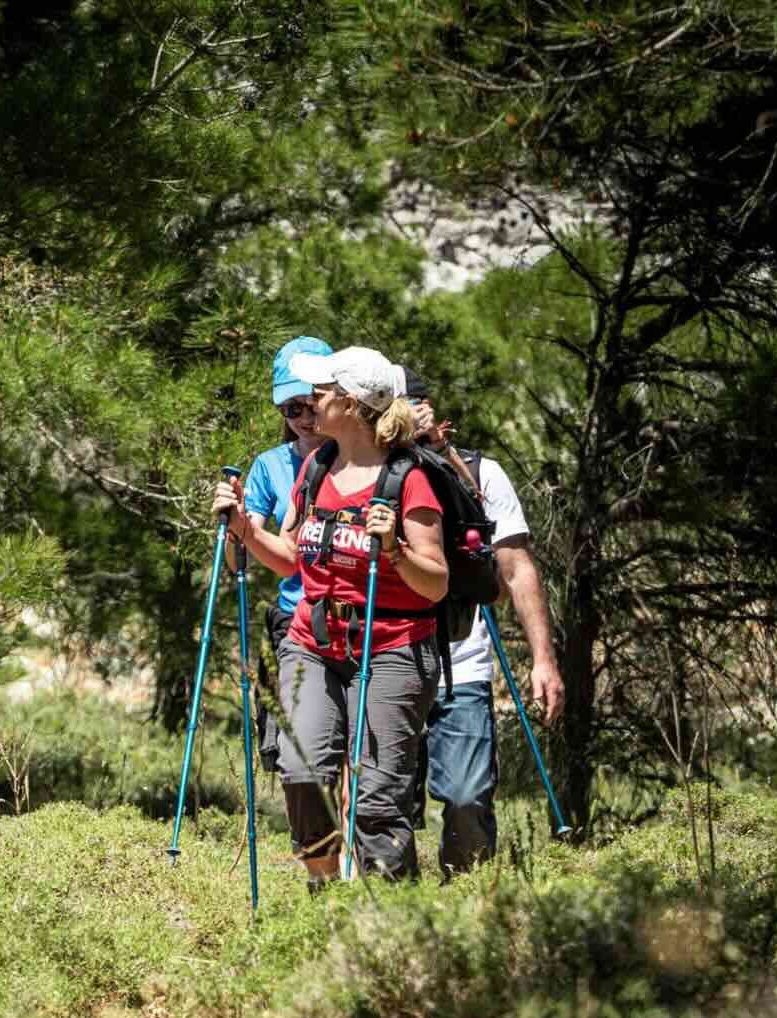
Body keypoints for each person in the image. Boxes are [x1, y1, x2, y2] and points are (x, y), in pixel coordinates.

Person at [214, 346, 447, 885]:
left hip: (392, 646)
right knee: (302, 772)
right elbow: (293, 558)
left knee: (377, 802)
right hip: (313, 641)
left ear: (351, 403)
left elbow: (435, 584)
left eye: (319, 393)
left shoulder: (406, 478)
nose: (308, 403)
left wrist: (393, 548)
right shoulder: (316, 469)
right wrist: (242, 527)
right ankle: (323, 896)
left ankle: (390, 926)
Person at [397, 367, 565, 875]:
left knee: (469, 799)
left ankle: (467, 908)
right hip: (388, 657)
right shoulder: (364, 471)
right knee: (386, 803)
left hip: (462, 663)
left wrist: (543, 658)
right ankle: (388, 917)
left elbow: (515, 567)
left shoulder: (478, 472)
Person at [230, 336, 332, 772]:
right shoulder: (269, 465)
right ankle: (313, 840)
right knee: (297, 756)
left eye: (312, 404)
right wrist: (236, 529)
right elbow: (241, 559)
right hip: (294, 618)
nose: (305, 419)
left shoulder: (361, 460)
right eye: (292, 409)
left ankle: (348, 839)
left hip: (357, 615)